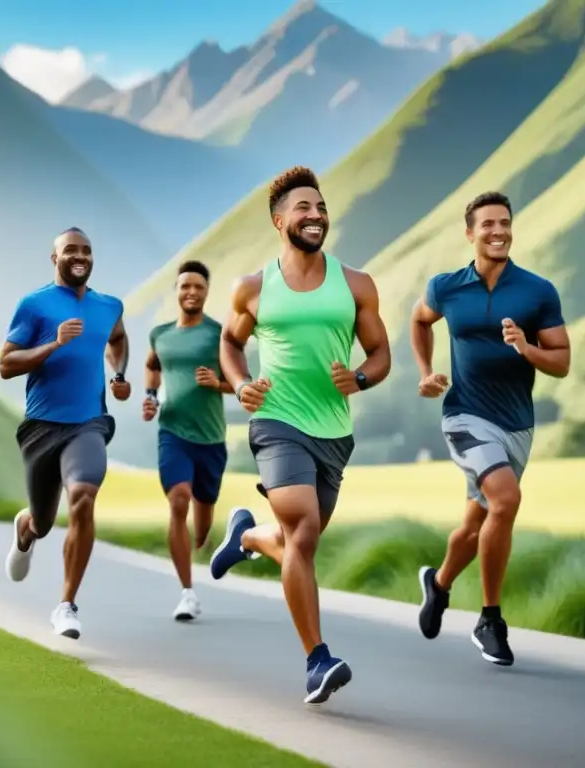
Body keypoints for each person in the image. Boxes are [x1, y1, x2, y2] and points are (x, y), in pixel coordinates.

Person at [210, 166, 392, 705]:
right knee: (305, 530)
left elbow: (381, 354)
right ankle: (318, 660)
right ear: (279, 220)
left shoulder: (356, 284)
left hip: (334, 432)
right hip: (276, 422)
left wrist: (358, 378)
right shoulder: (253, 288)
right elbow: (229, 342)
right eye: (304, 208)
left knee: (296, 543)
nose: (316, 216)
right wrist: (241, 384)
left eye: (321, 208)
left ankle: (244, 536)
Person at [410, 191, 571, 667]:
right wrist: (426, 370)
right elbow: (420, 321)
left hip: (517, 424)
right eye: (488, 224)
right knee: (505, 500)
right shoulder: (445, 287)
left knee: (475, 522)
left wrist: (526, 348)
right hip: (464, 415)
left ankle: (438, 585)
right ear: (470, 233)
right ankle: (490, 619)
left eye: (505, 222)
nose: (498, 231)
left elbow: (561, 362)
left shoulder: (538, 291)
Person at [0, 227, 131, 640]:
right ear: (53, 259)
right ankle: (27, 530)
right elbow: (6, 364)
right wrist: (51, 346)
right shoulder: (34, 305)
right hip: (41, 427)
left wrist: (120, 373)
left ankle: (66, 604)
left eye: (87, 251)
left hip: (88, 422)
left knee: (84, 497)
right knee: (43, 521)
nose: (80, 256)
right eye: (70, 250)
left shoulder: (109, 305)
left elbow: (119, 337)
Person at [143, 260, 234, 621]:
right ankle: (187, 592)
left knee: (203, 516)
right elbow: (153, 364)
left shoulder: (219, 334)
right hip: (172, 431)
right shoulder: (160, 334)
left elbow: (240, 381)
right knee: (178, 499)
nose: (191, 292)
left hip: (211, 437)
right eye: (185, 286)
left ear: (207, 292)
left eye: (198, 286)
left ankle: (201, 541)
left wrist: (218, 384)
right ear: (177, 291)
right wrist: (150, 396)